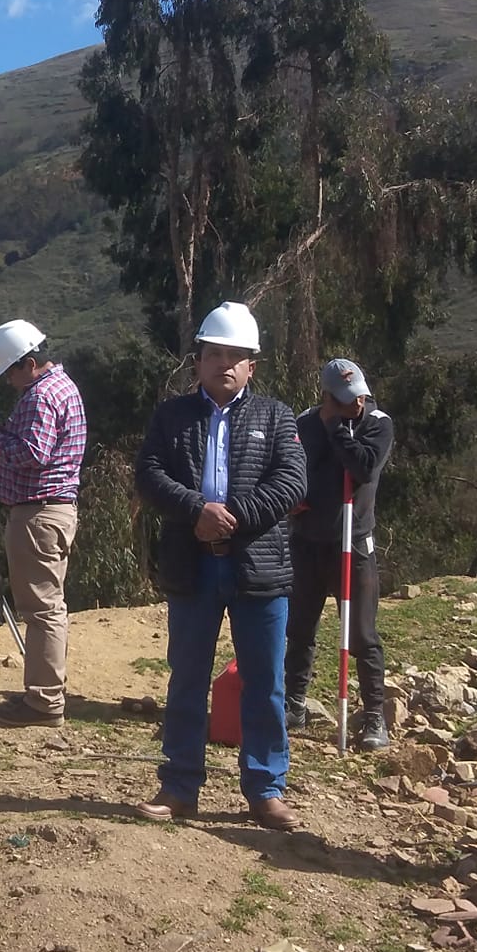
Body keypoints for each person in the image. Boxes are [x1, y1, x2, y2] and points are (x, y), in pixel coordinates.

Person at [134, 302, 307, 829]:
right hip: (193, 567)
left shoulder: (277, 417)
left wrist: (233, 519)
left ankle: (265, 789)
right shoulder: (171, 416)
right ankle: (179, 787)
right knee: (187, 676)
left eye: (236, 357)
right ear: (199, 359)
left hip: (259, 568)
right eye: (215, 354)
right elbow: (148, 474)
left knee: (265, 681)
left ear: (252, 365)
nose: (224, 365)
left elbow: (293, 482)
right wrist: (195, 513)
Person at [0, 318, 87, 726]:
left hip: (38, 512)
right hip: (51, 509)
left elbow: (34, 454)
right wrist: (6, 432)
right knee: (46, 606)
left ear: (30, 362)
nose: (7, 381)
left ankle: (43, 702)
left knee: (41, 609)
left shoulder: (41, 396)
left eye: (10, 371)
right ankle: (43, 692)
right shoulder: (62, 387)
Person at [283, 358, 394, 751]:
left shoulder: (378, 423)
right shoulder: (303, 424)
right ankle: (293, 703)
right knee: (299, 628)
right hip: (308, 542)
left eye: (359, 395)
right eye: (347, 400)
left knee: (362, 634)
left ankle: (374, 716)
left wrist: (339, 429)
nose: (357, 405)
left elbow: (363, 467)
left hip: (353, 544)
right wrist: (292, 499)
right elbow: (290, 470)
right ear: (326, 397)